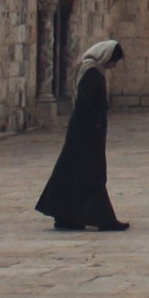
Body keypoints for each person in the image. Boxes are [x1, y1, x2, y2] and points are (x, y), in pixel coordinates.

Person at [35, 40, 129, 229]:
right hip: (86, 132)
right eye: (113, 61)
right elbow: (86, 101)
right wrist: (96, 121)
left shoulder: (92, 69)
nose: (113, 66)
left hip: (84, 131)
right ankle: (103, 219)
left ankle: (67, 216)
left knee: (74, 171)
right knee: (91, 173)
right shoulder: (91, 71)